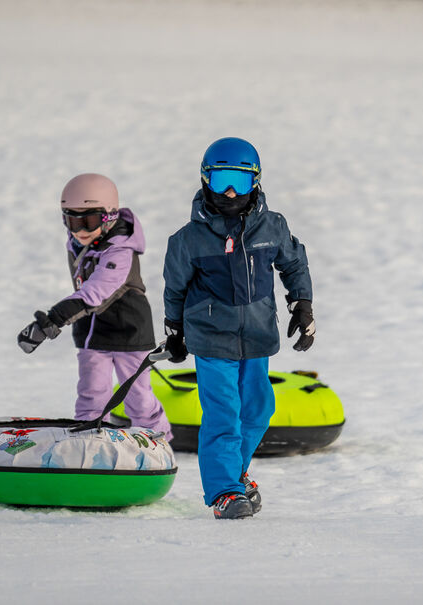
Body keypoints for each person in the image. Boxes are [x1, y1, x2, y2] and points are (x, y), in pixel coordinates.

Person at [162, 138, 315, 519]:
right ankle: (224, 491)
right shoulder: (188, 239)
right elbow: (175, 287)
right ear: (204, 180)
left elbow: (294, 264)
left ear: (256, 183)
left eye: (240, 182)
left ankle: (236, 472)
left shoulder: (272, 226)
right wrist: (174, 330)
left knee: (259, 409)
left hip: (258, 335)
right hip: (212, 339)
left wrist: (302, 305)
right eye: (221, 181)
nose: (230, 191)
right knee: (223, 414)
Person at [17, 173, 172, 440]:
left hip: (129, 330)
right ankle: (88, 444)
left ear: (109, 216)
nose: (79, 230)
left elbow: (96, 292)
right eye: (72, 220)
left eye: (88, 221)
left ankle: (156, 442)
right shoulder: (79, 241)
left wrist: (53, 320)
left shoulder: (121, 250)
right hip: (91, 330)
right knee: (91, 394)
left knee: (137, 396)